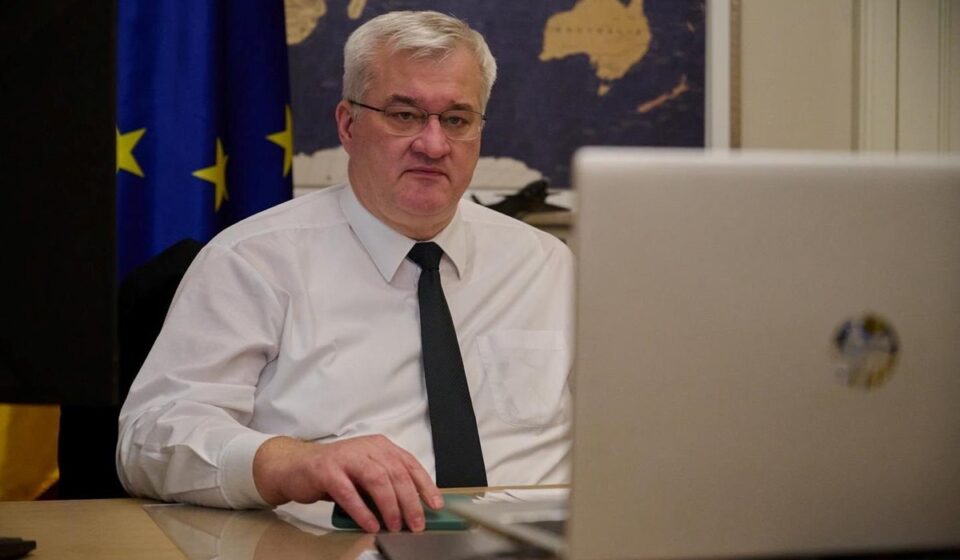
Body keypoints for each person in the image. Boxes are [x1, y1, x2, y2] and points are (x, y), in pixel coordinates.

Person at [117, 11, 573, 534]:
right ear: (348, 125)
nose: (433, 145)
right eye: (404, 115)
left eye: (456, 119)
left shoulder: (546, 265)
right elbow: (149, 440)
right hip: (336, 545)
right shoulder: (253, 261)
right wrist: (292, 463)